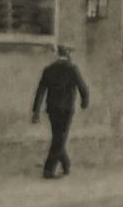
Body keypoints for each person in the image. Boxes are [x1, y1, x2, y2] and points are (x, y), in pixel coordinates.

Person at [32, 45, 90, 179]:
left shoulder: (48, 70)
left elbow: (40, 92)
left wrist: (36, 111)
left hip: (52, 109)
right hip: (66, 110)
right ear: (68, 54)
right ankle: (49, 169)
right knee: (60, 138)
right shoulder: (72, 69)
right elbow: (83, 88)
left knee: (58, 136)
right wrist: (84, 102)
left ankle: (66, 165)